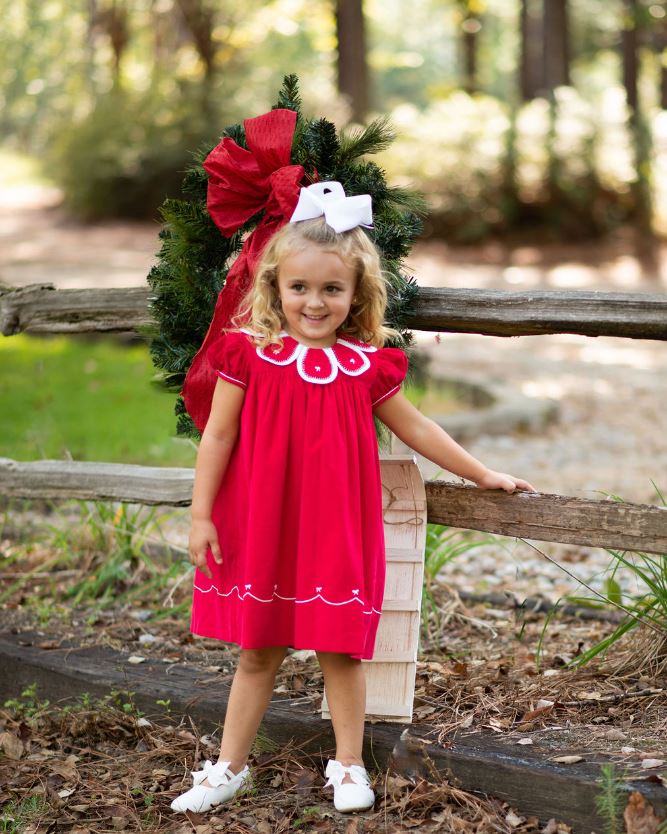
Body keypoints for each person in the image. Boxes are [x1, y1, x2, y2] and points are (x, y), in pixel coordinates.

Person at [170, 183, 536, 815]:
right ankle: (229, 766)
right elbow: (219, 434)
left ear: (355, 295)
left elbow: (418, 429)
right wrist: (202, 514)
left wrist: (482, 474)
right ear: (275, 289)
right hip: (264, 523)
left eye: (332, 290)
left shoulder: (365, 366)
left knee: (340, 648)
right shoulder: (249, 355)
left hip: (335, 527)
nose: (314, 302)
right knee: (258, 651)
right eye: (300, 288)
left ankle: (348, 765)